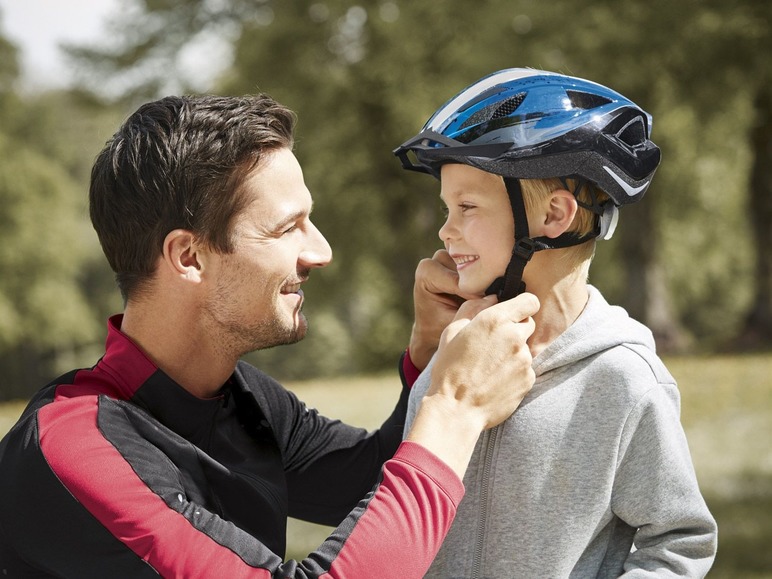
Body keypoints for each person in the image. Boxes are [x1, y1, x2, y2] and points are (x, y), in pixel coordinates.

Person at [0, 94, 540, 578]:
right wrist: (456, 406)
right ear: (189, 257)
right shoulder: (74, 449)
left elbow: (364, 481)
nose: (321, 251)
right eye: (287, 228)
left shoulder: (239, 396)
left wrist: (427, 351)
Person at [394, 68, 718, 577]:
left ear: (553, 217)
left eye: (467, 207)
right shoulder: (451, 364)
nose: (446, 229)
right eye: (446, 208)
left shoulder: (623, 380)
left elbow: (679, 542)